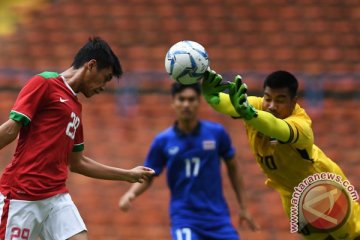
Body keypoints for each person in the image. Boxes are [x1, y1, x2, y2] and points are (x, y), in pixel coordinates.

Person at [0, 37, 155, 240]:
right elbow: (11, 130)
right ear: (91, 65)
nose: (103, 87)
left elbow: (78, 162)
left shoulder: (75, 107)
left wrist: (126, 175)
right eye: (105, 78)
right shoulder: (44, 83)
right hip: (22, 195)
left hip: (56, 197)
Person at [201, 69, 360, 240]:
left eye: (280, 100)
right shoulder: (256, 106)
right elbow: (228, 103)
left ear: (293, 102)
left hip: (323, 187)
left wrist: (250, 114)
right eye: (268, 98)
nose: (271, 106)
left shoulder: (301, 124)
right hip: (292, 196)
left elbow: (277, 128)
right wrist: (212, 97)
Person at [119, 82, 258, 240]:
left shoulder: (216, 133)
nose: (186, 104)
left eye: (191, 99)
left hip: (218, 219)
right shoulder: (163, 141)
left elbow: (233, 167)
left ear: (199, 102)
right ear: (173, 102)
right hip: (185, 219)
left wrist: (243, 207)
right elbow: (148, 175)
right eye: (181, 99)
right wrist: (131, 194)